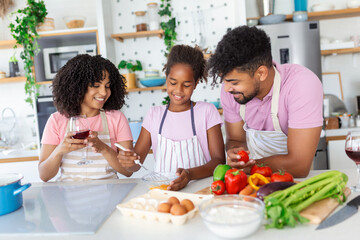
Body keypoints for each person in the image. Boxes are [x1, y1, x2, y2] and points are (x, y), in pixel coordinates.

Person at [207, 26, 323, 177]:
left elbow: (299, 165)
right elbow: (235, 139)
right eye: (225, 81)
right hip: (252, 182)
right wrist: (235, 153)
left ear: (261, 73)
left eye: (234, 82)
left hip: (294, 184)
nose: (227, 89)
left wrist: (247, 167)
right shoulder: (232, 91)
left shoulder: (302, 84)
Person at [118, 45, 225, 190]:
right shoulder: (154, 115)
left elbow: (219, 162)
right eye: (173, 83)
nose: (178, 90)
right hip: (163, 192)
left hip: (201, 191)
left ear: (196, 82)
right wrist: (128, 162)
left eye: (186, 85)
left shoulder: (207, 112)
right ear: (166, 77)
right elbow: (136, 165)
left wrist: (189, 174)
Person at [39, 54, 133, 182]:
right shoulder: (56, 120)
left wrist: (104, 148)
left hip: (109, 194)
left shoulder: (116, 118)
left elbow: (128, 171)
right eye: (96, 85)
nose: (104, 92)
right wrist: (59, 150)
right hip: (68, 197)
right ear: (78, 86)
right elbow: (44, 175)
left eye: (107, 86)